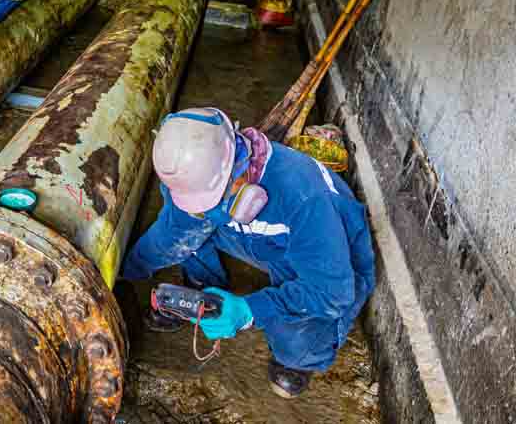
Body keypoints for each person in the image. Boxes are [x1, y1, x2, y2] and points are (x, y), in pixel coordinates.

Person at [122, 108, 375, 399]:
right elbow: (171, 235)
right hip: (262, 239)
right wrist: (123, 269)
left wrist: (249, 311)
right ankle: (203, 292)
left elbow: (332, 292)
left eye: (211, 201)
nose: (202, 210)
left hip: (318, 260)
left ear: (238, 170)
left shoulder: (302, 197)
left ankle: (300, 360)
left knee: (297, 345)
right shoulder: (198, 176)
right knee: (190, 233)